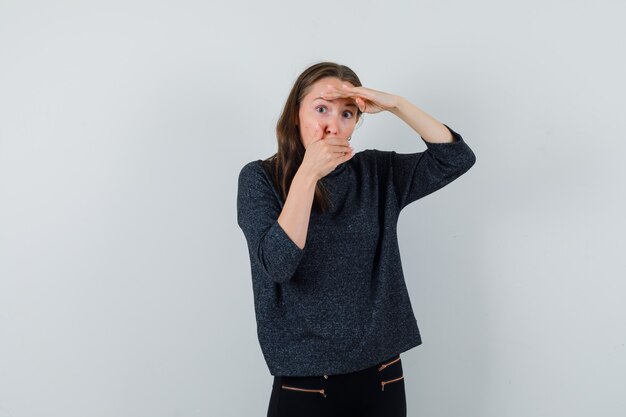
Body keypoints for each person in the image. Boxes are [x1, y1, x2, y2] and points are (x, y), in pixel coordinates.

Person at [236, 62, 476, 417]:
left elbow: (455, 158)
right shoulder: (260, 179)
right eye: (321, 109)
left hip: (382, 378)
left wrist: (396, 105)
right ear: (294, 116)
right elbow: (278, 264)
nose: (333, 125)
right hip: (306, 382)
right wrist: (308, 175)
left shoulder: (376, 173)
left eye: (347, 113)